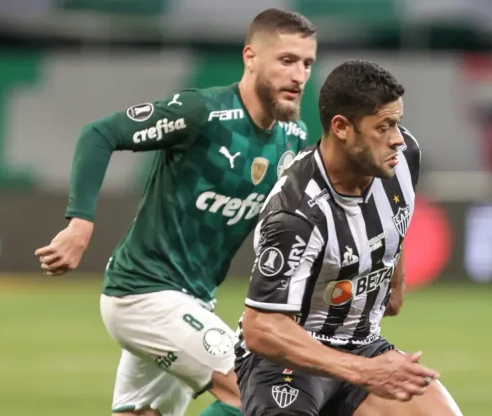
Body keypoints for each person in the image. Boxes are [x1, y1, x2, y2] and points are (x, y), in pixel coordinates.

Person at [34, 8, 317, 416]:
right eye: (287, 60)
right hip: (145, 294)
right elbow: (100, 134)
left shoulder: (293, 137)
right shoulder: (203, 113)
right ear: (250, 57)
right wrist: (80, 224)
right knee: (259, 391)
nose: (299, 75)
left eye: (307, 63)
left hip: (194, 303)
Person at [234, 59, 464, 416]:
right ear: (341, 127)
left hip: (362, 345)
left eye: (398, 123)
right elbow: (261, 328)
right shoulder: (296, 213)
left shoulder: (403, 159)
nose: (397, 139)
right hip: (287, 360)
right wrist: (367, 371)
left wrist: (395, 275)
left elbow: (396, 218)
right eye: (383, 126)